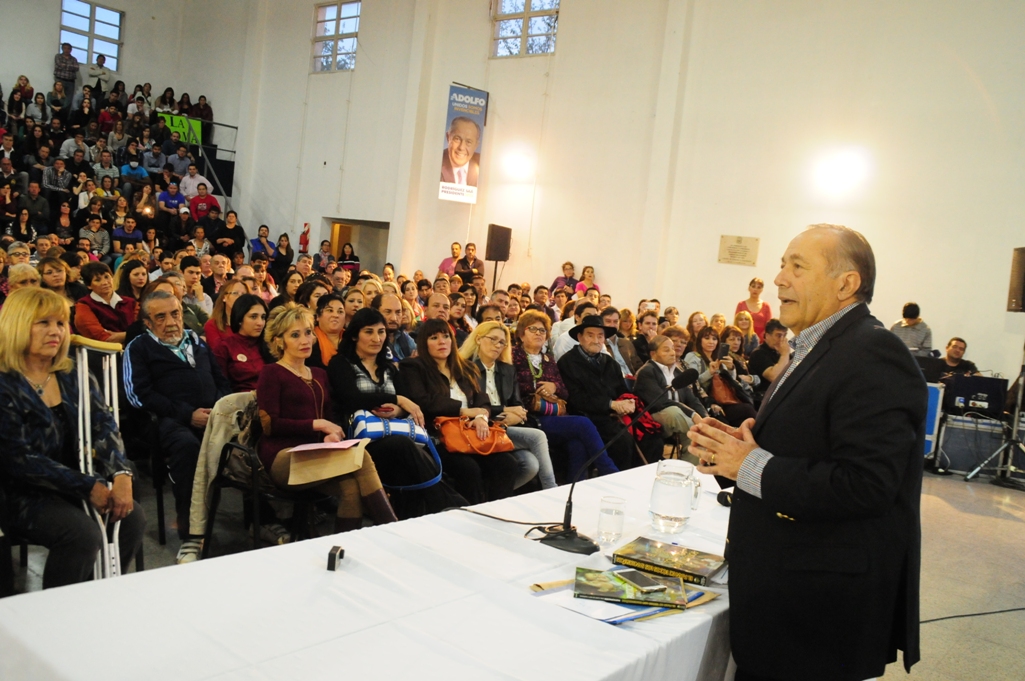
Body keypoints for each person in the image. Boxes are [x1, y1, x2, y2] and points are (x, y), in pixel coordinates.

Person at [690, 224, 924, 681]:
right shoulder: (816, 349)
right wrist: (737, 454)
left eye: (797, 266)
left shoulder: (873, 354)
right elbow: (805, 449)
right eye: (782, 265)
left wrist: (751, 464)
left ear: (846, 283)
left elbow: (867, 485)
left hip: (817, 613)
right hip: (785, 594)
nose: (779, 279)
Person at [0, 288, 145, 588]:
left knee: (131, 519)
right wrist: (87, 485)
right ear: (16, 324)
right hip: (19, 491)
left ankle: (98, 597)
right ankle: (57, 615)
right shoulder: (5, 383)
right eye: (43, 323)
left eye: (60, 323)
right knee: (81, 534)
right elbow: (18, 460)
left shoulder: (72, 373)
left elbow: (104, 425)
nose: (55, 331)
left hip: (74, 483)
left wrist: (121, 473)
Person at [257, 303, 398, 533]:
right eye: (295, 335)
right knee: (360, 456)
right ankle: (391, 530)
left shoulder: (320, 374)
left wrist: (329, 434)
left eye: (308, 332)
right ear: (279, 341)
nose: (305, 340)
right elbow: (270, 425)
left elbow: (328, 417)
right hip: (282, 458)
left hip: (314, 452)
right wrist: (318, 425)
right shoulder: (272, 372)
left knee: (350, 487)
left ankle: (344, 548)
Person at [327, 307, 465, 518]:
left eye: (381, 332)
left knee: (407, 458)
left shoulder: (390, 368)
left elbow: (406, 404)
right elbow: (351, 399)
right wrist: (397, 399)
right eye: (369, 332)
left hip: (393, 437)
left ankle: (412, 521)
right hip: (359, 441)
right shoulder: (341, 364)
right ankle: (449, 504)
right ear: (355, 335)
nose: (377, 338)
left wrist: (399, 408)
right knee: (403, 447)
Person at [124, 290, 231, 562]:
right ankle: (191, 536)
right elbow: (139, 396)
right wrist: (188, 414)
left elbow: (220, 380)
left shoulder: (197, 341)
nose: (171, 321)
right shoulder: (138, 348)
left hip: (212, 416)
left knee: (249, 440)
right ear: (148, 322)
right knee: (187, 448)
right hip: (168, 421)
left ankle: (263, 519)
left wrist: (219, 409)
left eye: (175, 313)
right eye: (161, 317)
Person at [397, 318, 519, 504]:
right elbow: (424, 402)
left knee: (508, 464)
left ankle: (495, 513)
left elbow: (482, 400)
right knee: (469, 468)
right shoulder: (413, 366)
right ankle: (471, 517)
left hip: (471, 433)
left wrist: (480, 416)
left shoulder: (466, 367)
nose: (442, 342)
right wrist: (463, 411)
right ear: (424, 342)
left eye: (446, 336)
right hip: (439, 436)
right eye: (434, 337)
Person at [460, 321, 557, 490]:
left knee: (531, 465)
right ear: (478, 339)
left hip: (505, 424)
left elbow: (517, 404)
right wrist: (504, 410)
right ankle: (551, 488)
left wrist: (515, 415)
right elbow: (474, 405)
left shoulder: (507, 369)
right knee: (538, 436)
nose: (498, 345)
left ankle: (491, 496)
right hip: (481, 425)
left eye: (502, 342)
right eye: (493, 339)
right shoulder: (466, 368)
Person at [557, 315, 638, 470]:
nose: (596, 340)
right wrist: (610, 404)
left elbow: (622, 390)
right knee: (621, 441)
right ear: (580, 337)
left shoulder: (611, 363)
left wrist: (629, 401)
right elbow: (575, 399)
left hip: (614, 417)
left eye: (600, 336)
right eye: (590, 335)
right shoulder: (567, 362)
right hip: (586, 418)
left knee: (650, 435)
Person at [634, 335, 707, 447]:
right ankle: (700, 432)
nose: (673, 353)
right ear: (653, 354)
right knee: (674, 412)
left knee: (698, 433)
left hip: (680, 418)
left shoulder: (677, 372)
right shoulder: (647, 372)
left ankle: (691, 462)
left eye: (672, 348)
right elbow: (661, 402)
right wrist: (692, 414)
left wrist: (705, 419)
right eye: (666, 350)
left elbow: (692, 399)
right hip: (655, 418)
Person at [684, 325, 755, 427]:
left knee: (745, 418)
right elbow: (694, 383)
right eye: (707, 338)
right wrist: (710, 372)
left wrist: (731, 368)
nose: (711, 342)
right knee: (747, 410)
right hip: (707, 400)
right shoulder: (693, 357)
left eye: (714, 339)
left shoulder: (718, 357)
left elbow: (731, 380)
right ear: (700, 340)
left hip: (726, 400)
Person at [211, 293, 269, 391]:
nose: (260, 323)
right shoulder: (225, 347)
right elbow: (221, 384)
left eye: (263, 317)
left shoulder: (269, 345)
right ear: (240, 318)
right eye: (253, 317)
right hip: (239, 401)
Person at [74, 262, 137, 343]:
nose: (105, 282)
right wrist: (132, 334)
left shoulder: (130, 302)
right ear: (89, 286)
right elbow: (101, 337)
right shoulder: (84, 305)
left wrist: (122, 335)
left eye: (107, 277)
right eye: (98, 280)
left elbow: (145, 330)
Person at [746, 318, 790, 405]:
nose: (782, 339)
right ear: (767, 335)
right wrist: (785, 354)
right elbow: (774, 377)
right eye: (778, 335)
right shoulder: (758, 354)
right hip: (766, 399)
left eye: (784, 335)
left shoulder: (781, 353)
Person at [369, 292, 415, 362]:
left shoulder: (403, 336)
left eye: (398, 312)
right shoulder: (371, 340)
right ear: (376, 312)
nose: (394, 318)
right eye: (388, 312)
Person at [203, 279, 246, 354]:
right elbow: (220, 352)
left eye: (244, 295)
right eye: (235, 293)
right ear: (224, 297)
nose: (240, 298)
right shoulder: (212, 325)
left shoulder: (251, 323)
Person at [305, 293, 346, 370]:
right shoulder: (309, 340)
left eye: (340, 312)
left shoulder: (351, 338)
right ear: (317, 316)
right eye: (330, 310)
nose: (336, 315)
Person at [440, 117, 481, 186]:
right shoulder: (436, 163)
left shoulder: (483, 165)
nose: (461, 147)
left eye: (468, 142)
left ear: (476, 145)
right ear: (448, 137)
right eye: (457, 139)